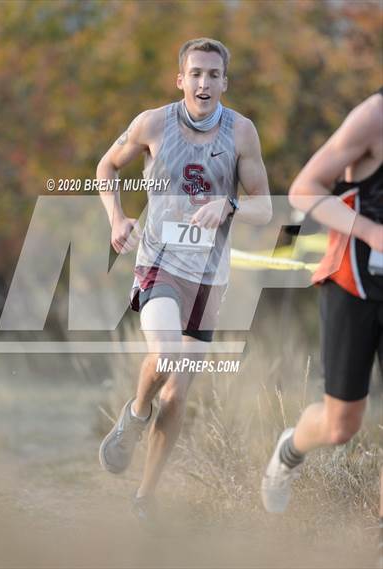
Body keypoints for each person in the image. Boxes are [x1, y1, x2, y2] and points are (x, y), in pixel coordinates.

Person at [96, 38, 271, 520]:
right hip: (159, 262)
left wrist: (230, 204)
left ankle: (145, 498)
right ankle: (134, 414)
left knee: (178, 393)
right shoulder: (152, 123)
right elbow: (106, 167)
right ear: (181, 79)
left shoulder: (242, 134)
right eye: (196, 73)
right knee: (167, 351)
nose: (204, 83)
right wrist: (116, 218)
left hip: (210, 278)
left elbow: (265, 205)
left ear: (225, 83)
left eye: (214, 75)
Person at [261, 89, 383, 514]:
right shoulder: (372, 117)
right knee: (340, 425)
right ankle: (289, 450)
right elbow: (303, 189)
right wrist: (370, 232)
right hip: (354, 282)